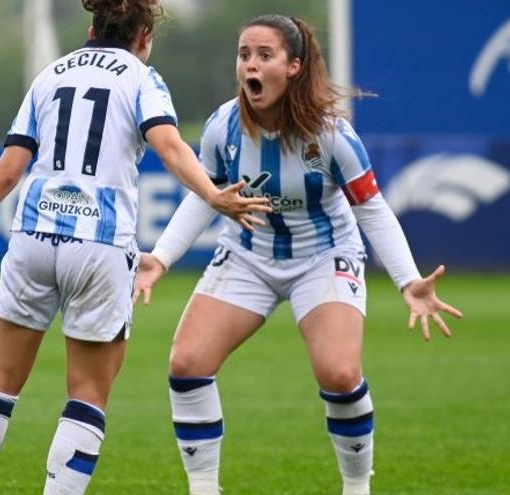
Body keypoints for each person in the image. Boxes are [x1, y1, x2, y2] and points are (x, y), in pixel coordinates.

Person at [0, 2, 270, 494]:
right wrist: (212, 194)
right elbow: (170, 145)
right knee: (88, 394)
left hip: (33, 237)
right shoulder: (141, 78)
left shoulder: (50, 75)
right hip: (99, 245)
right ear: (143, 36)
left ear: (92, 29)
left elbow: (8, 169)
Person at [133, 14, 463, 495]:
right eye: (244, 55)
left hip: (324, 255)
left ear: (293, 67)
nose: (251, 64)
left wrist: (408, 281)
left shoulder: (331, 134)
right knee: (187, 363)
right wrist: (160, 257)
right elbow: (204, 194)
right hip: (248, 254)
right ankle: (203, 489)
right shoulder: (223, 126)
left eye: (265, 55)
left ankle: (356, 489)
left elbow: (370, 209)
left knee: (340, 372)